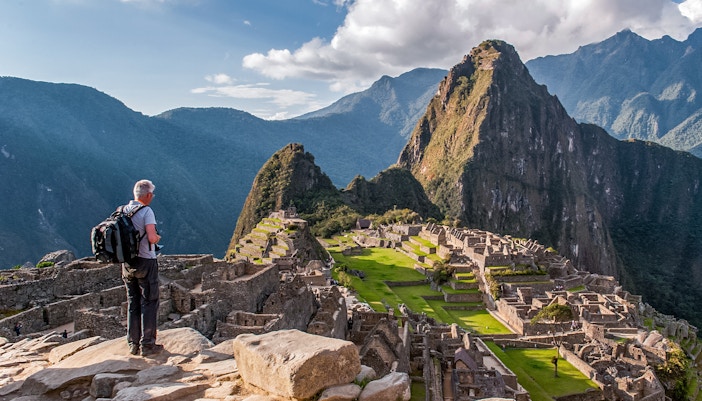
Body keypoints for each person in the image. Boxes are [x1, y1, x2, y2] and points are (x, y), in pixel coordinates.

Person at [122, 179, 163, 357]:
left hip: (127, 263)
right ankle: (148, 344)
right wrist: (157, 238)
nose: (152, 197)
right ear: (147, 195)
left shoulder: (123, 210)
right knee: (150, 301)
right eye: (151, 194)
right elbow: (152, 237)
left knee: (133, 302)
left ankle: (133, 344)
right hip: (146, 261)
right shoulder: (147, 211)